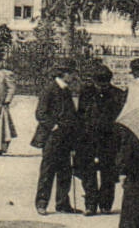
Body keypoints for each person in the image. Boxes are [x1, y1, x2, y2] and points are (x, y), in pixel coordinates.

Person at [75, 62, 125, 215]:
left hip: (109, 139)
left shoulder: (118, 94)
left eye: (104, 84)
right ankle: (90, 204)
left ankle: (105, 204)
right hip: (88, 138)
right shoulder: (86, 92)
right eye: (98, 84)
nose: (101, 87)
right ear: (94, 81)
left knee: (108, 172)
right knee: (88, 172)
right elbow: (80, 115)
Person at [34, 62, 80, 215]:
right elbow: (40, 113)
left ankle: (62, 204)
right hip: (52, 137)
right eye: (71, 73)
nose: (74, 77)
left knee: (65, 171)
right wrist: (53, 126)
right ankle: (41, 203)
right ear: (63, 74)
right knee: (48, 170)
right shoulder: (49, 89)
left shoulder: (65, 90)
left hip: (66, 137)